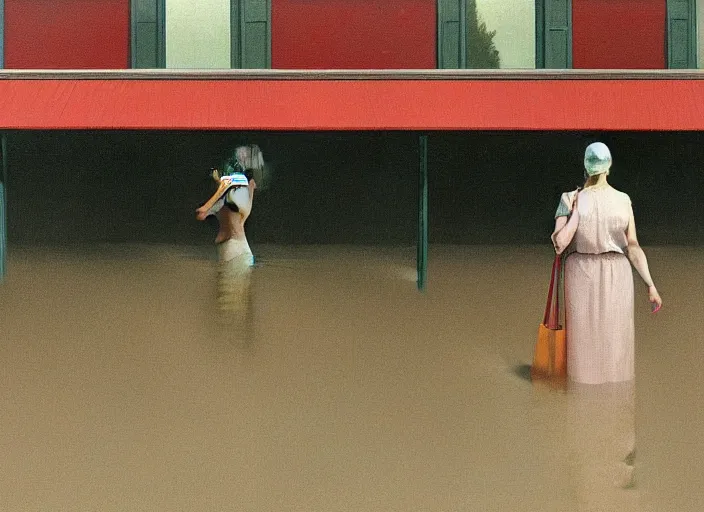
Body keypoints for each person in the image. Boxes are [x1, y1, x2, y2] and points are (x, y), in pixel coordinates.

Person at [551, 142, 662, 385]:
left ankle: (582, 398)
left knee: (589, 341)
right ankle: (613, 402)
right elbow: (633, 246)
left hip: (585, 271)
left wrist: (575, 214)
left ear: (585, 166)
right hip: (609, 272)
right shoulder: (619, 200)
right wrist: (650, 285)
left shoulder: (572, 198)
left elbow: (559, 244)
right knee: (611, 341)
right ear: (609, 167)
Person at [195, 144, 263, 322]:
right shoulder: (238, 199)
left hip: (236, 254)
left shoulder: (233, 188)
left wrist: (206, 207)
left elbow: (228, 185)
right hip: (236, 254)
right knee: (231, 305)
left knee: (231, 307)